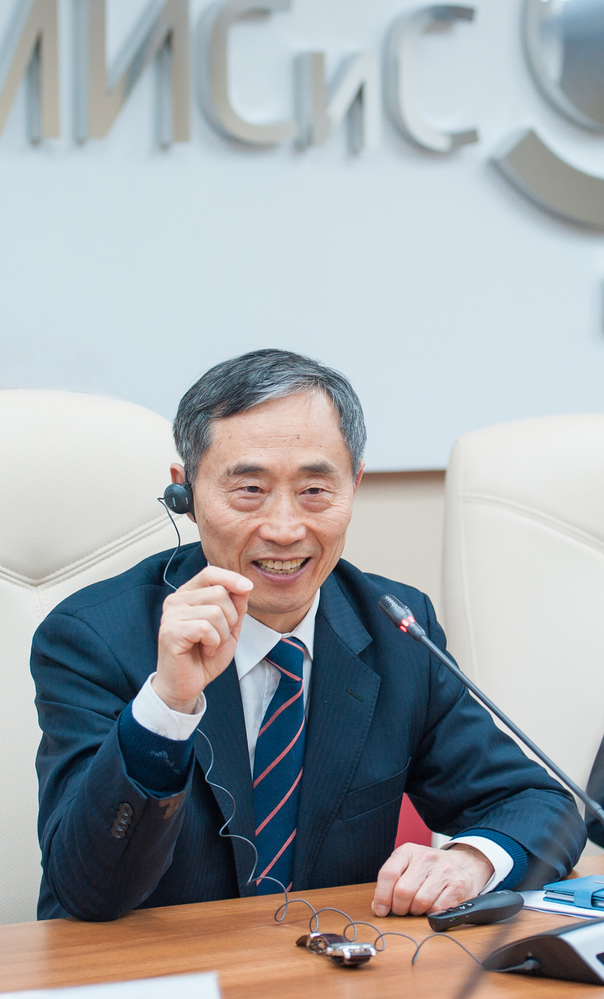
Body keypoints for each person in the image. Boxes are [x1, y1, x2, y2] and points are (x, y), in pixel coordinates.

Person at [32, 349, 585, 922]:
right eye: (249, 489)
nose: (284, 528)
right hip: (155, 964)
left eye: (315, 490)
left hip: (325, 960)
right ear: (186, 493)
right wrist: (167, 706)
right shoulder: (94, 638)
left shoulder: (396, 629)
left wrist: (472, 860)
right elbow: (86, 891)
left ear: (355, 485)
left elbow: (538, 804)